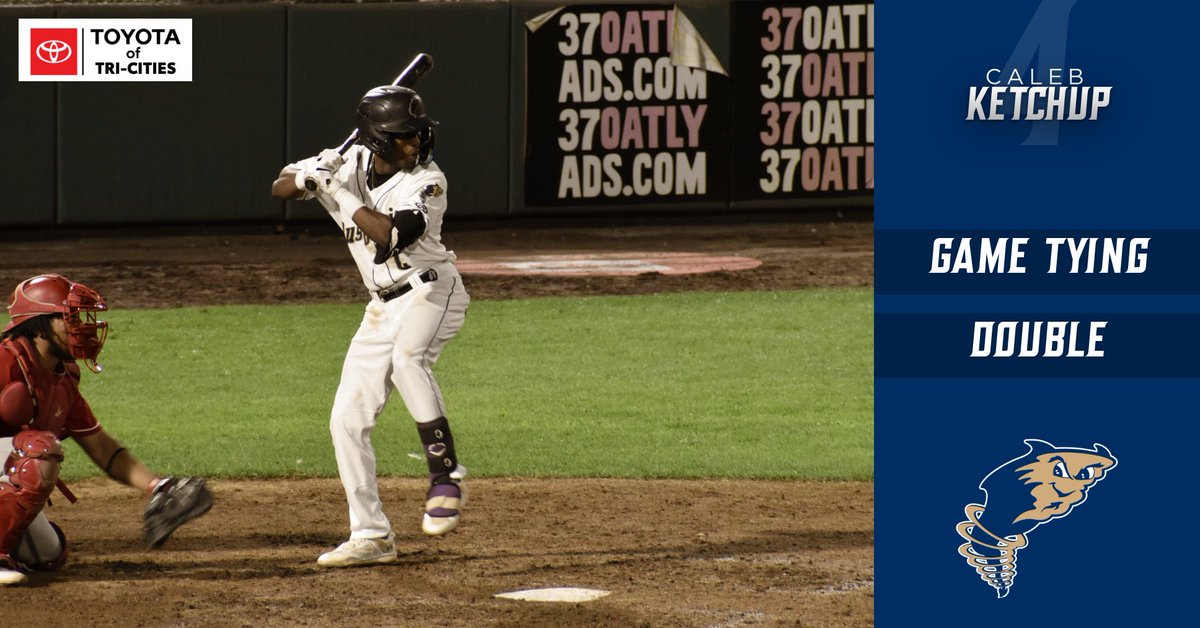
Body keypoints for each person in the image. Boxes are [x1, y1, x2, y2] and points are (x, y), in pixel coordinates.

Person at [271, 85, 470, 568]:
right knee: (346, 420)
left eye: (418, 134)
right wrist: (307, 175)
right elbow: (278, 186)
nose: (416, 143)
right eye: (404, 137)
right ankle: (371, 535)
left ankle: (445, 475)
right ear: (378, 140)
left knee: (408, 360)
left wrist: (333, 189)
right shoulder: (347, 162)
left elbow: (393, 236)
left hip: (431, 291)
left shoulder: (428, 181)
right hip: (380, 307)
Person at [0, 274, 213, 586]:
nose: (81, 328)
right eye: (69, 319)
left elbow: (100, 445)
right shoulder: (5, 361)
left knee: (48, 554)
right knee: (37, 453)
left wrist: (157, 485)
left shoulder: (63, 378)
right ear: (38, 324)